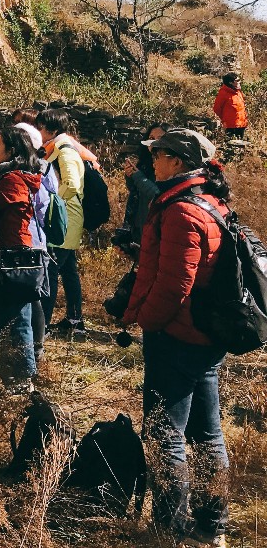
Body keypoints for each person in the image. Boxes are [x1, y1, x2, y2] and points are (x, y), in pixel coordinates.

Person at [122, 128, 230, 547]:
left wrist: (146, 320)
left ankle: (170, 529)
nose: (153, 160)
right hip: (203, 335)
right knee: (207, 433)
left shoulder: (183, 211)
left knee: (166, 434)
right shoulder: (210, 202)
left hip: (176, 336)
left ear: (180, 162)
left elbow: (174, 285)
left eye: (160, 154)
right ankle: (211, 526)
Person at [0, 126, 46, 392]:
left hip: (13, 255)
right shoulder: (13, 177)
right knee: (11, 316)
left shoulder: (12, 180)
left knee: (16, 320)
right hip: (10, 252)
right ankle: (15, 374)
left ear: (12, 150)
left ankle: (21, 378)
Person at [35, 109, 86, 335]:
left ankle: (44, 323)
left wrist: (53, 200)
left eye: (42, 127)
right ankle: (75, 319)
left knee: (52, 271)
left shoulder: (64, 152)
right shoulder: (64, 148)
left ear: (52, 130)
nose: (39, 131)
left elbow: (72, 184)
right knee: (68, 270)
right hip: (70, 217)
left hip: (65, 217)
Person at [213, 73, 249, 139]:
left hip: (242, 124)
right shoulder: (223, 93)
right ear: (230, 82)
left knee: (240, 145)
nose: (239, 82)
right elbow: (217, 108)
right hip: (231, 126)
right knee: (230, 146)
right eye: (237, 80)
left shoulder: (238, 91)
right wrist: (225, 119)